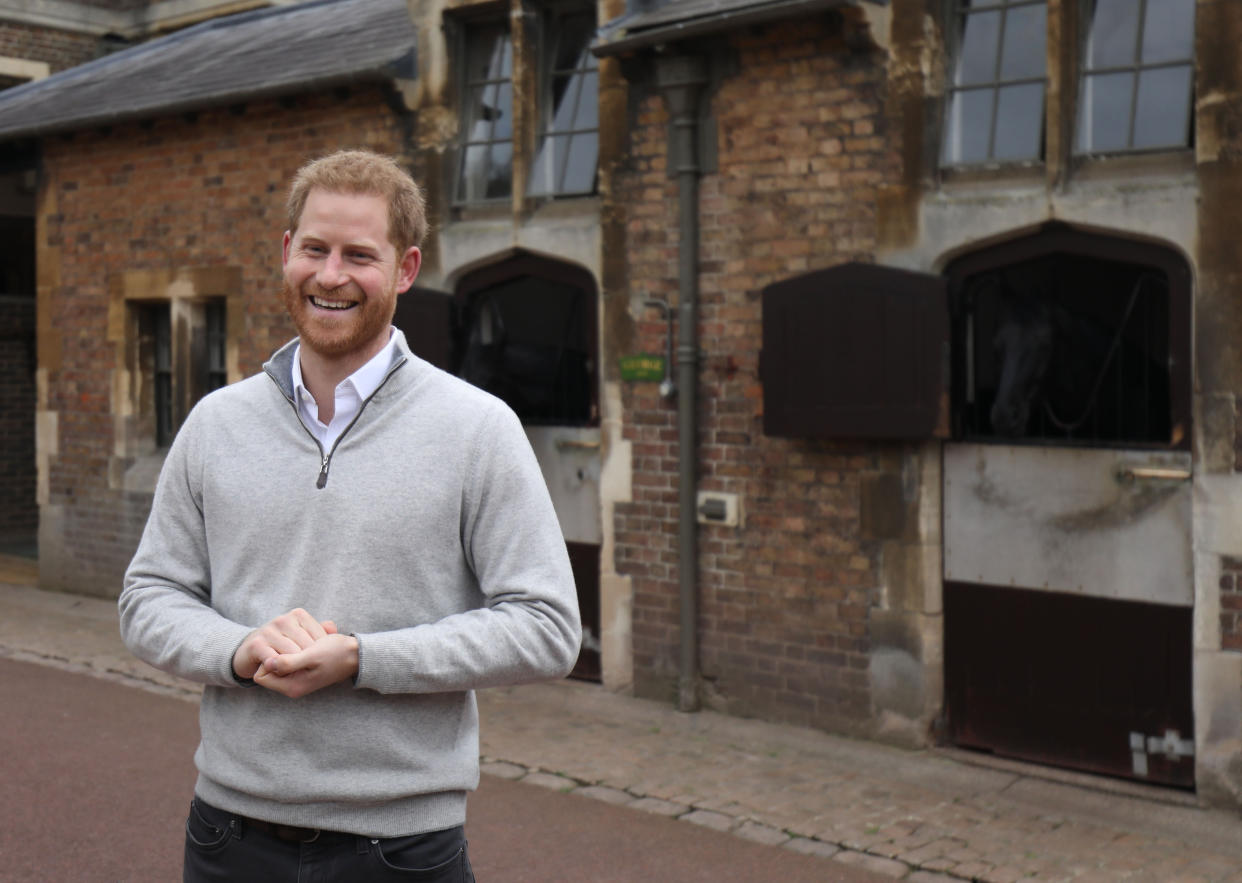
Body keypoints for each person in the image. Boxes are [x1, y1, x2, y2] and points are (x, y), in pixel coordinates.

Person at [119, 149, 581, 882]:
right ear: (286, 253)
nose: (331, 275)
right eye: (315, 249)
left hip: (399, 848)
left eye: (359, 255)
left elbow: (548, 627)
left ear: (404, 269)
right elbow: (148, 598)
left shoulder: (477, 428)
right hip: (227, 837)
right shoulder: (216, 422)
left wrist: (366, 658)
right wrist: (240, 649)